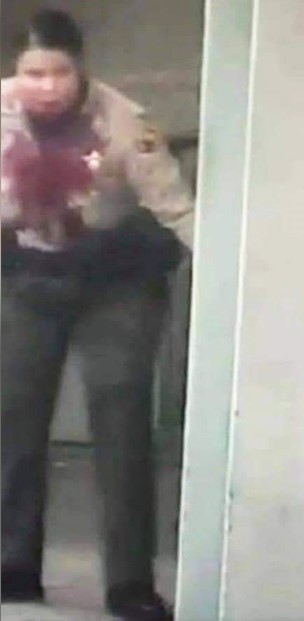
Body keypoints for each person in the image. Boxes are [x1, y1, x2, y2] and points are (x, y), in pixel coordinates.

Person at [1, 9, 193, 621]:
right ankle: (12, 567)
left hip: (117, 279)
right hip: (27, 273)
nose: (47, 87)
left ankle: (131, 584)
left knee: (122, 418)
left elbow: (180, 211)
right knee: (13, 418)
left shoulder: (125, 122)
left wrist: (236, 287)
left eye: (60, 72)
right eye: (33, 73)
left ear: (81, 68)